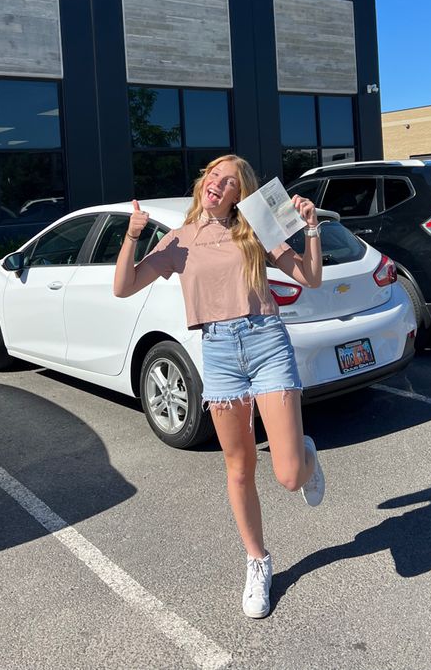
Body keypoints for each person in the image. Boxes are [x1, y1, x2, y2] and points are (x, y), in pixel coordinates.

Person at [113, 154, 325, 619]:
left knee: (288, 476)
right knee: (239, 464)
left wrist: (310, 229)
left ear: (239, 193)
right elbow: (124, 286)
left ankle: (305, 454)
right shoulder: (180, 240)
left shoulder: (256, 230)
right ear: (203, 183)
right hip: (219, 352)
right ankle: (258, 561)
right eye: (214, 175)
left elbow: (309, 277)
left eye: (229, 182)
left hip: (266, 340)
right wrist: (132, 234)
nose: (218, 184)